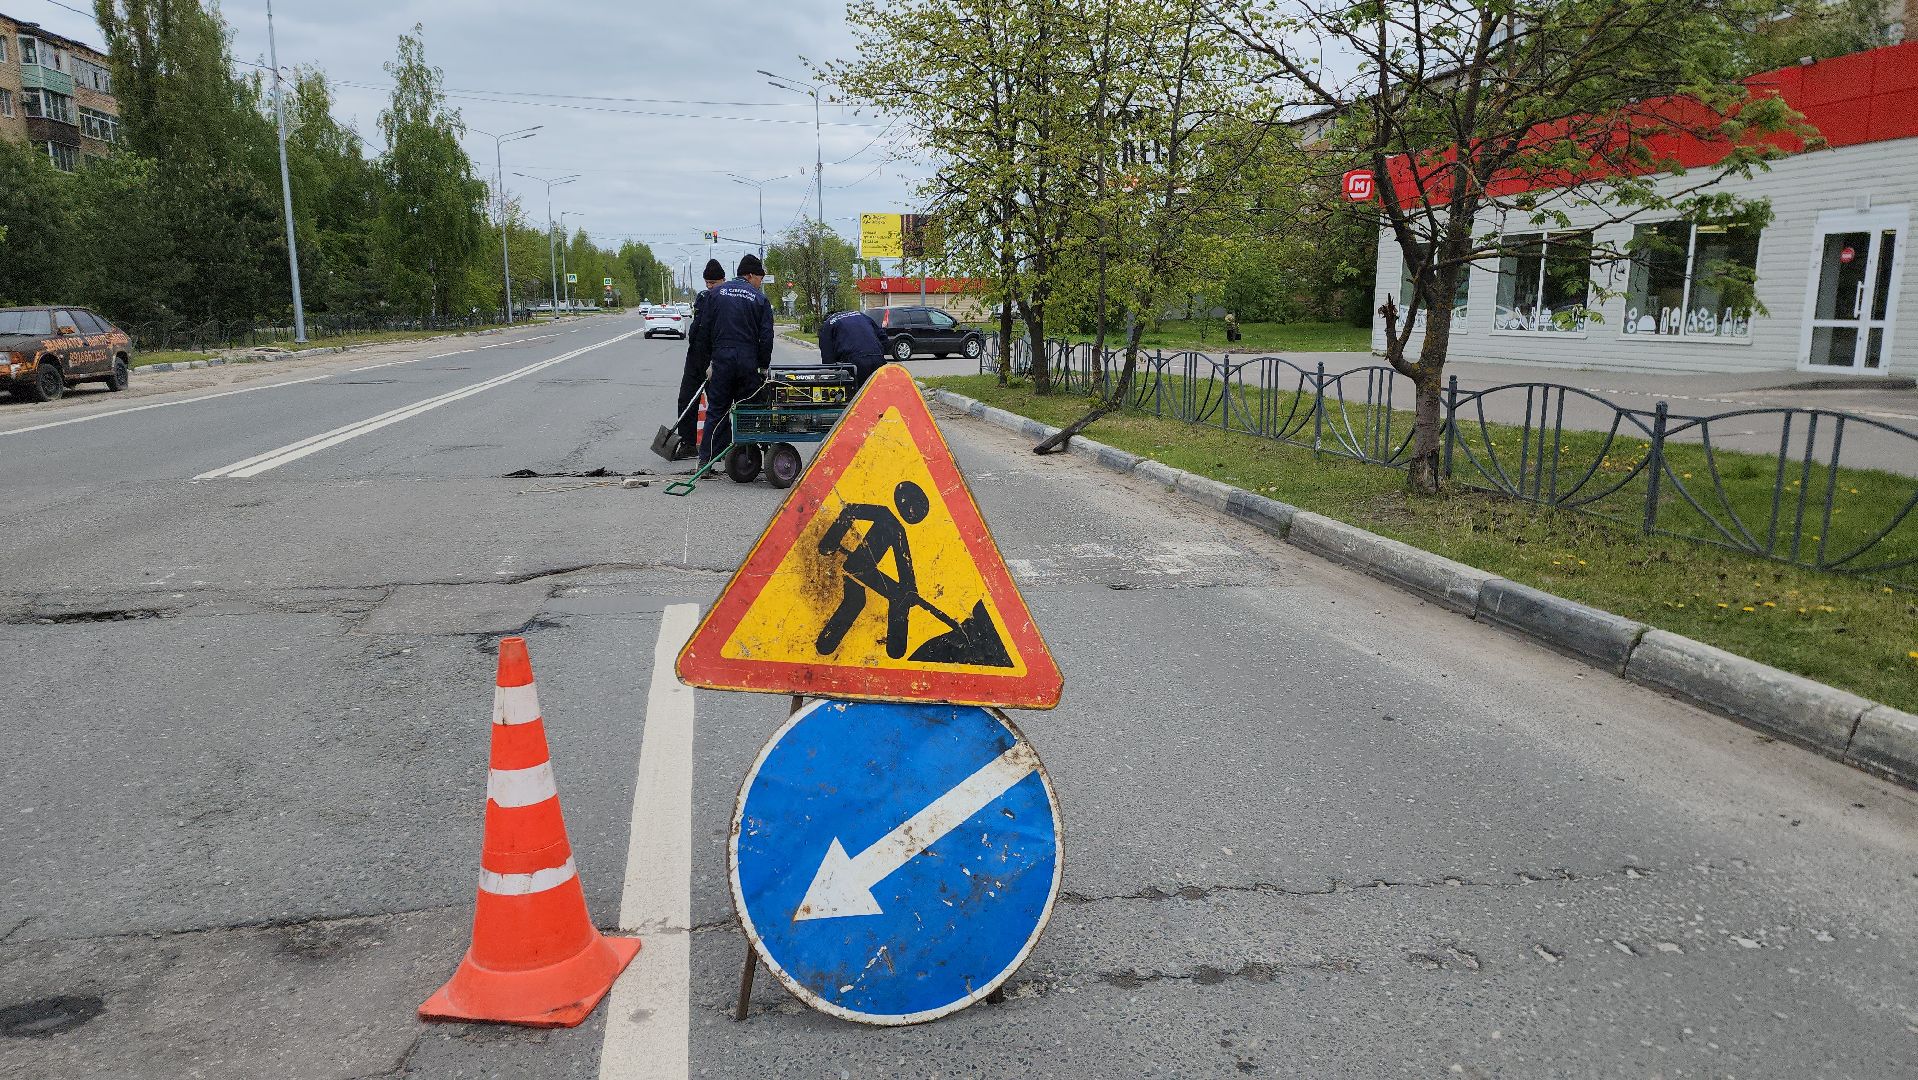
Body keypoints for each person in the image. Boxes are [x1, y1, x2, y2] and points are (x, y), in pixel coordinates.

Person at [699, 253, 776, 467]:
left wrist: (709, 362)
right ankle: (746, 461)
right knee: (747, 410)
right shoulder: (759, 299)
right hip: (747, 361)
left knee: (716, 411)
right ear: (750, 275)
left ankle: (705, 461)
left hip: (722, 359)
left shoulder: (715, 294)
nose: (760, 283)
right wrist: (762, 366)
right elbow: (766, 336)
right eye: (760, 278)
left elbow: (704, 330)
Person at [676, 259, 726, 453]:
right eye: (706, 282)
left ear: (723, 280)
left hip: (716, 358)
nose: (709, 286)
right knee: (686, 399)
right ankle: (688, 443)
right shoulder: (702, 298)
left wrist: (716, 360)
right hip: (695, 358)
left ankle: (720, 447)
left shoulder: (725, 300)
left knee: (718, 402)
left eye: (712, 283)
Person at [817, 306, 889, 385]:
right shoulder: (861, 315)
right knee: (877, 390)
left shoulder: (828, 323)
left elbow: (828, 359)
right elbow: (884, 339)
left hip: (853, 362)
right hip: (878, 358)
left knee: (855, 393)